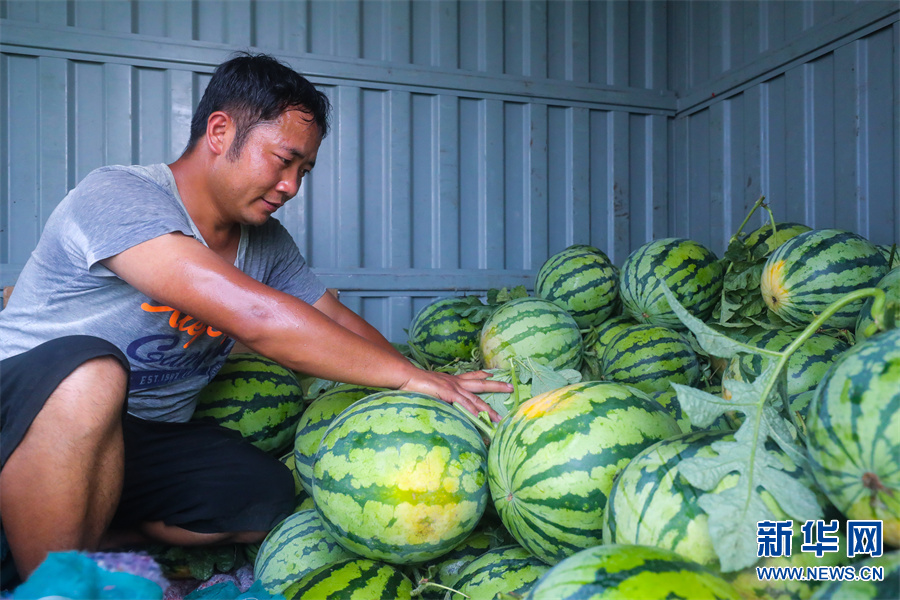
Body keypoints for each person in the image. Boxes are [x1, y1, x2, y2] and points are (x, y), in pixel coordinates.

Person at [0, 52, 511, 583]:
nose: (291, 186)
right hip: (25, 415)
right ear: (220, 131)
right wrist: (405, 377)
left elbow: (333, 319)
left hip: (138, 439)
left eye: (303, 171)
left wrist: (429, 383)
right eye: (284, 160)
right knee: (92, 371)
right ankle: (53, 586)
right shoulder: (118, 195)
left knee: (262, 495)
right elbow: (254, 316)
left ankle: (80, 532)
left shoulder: (265, 242)